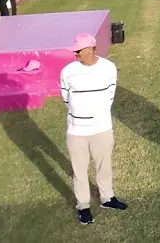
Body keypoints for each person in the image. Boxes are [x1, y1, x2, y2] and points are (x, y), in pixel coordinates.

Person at [60, 33, 127, 224]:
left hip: (102, 128)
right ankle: (83, 206)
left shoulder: (108, 68)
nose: (75, 55)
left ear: (90, 49)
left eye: (78, 51)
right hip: (76, 131)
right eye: (74, 52)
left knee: (103, 166)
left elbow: (110, 94)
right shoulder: (67, 71)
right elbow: (66, 97)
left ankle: (107, 198)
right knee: (79, 171)